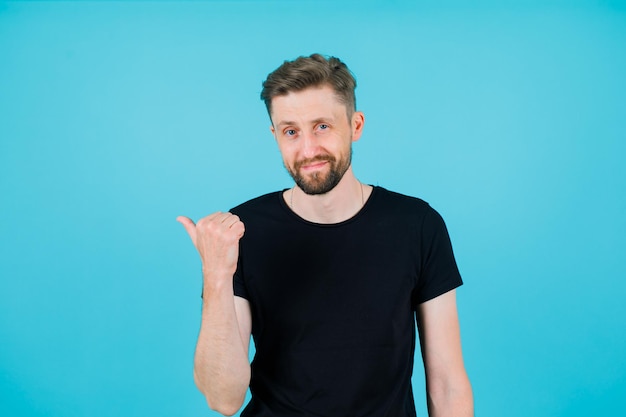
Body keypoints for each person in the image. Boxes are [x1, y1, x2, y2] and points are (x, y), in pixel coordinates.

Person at [177, 53, 473, 417]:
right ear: (275, 135)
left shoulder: (418, 224)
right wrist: (216, 275)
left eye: (322, 126)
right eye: (291, 131)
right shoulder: (240, 232)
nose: (308, 150)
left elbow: (447, 383)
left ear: (356, 125)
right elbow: (223, 399)